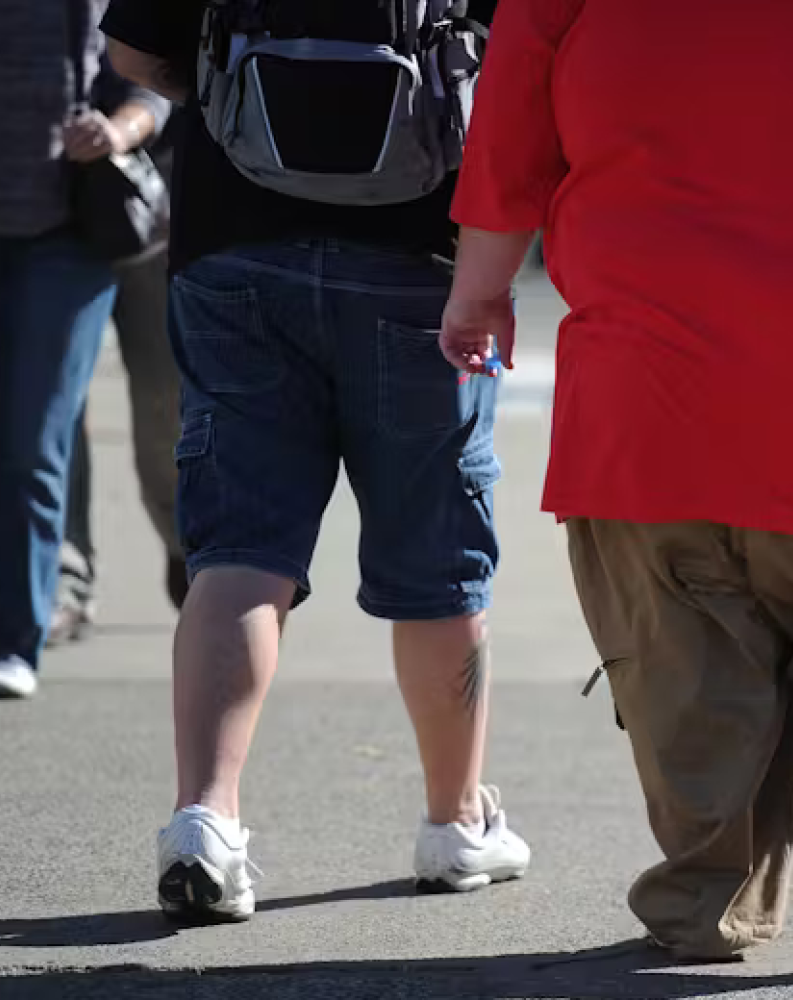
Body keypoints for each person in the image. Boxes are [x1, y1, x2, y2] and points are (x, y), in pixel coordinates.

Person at [440, 0, 793, 960]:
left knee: (686, 665)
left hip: (655, 408)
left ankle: (708, 899)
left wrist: (479, 295)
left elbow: (506, 160)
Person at [101, 0, 530, 923]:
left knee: (240, 547)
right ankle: (456, 824)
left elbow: (133, 51)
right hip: (424, 257)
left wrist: (231, 113)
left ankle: (205, 823)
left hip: (232, 245)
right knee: (439, 552)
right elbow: (533, 67)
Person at [0, 1, 170, 700]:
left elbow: (157, 75)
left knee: (155, 415)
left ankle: (201, 550)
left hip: (96, 224)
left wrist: (118, 130)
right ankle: (40, 608)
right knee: (37, 429)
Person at [49, 95, 185, 649]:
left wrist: (124, 128)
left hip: (152, 201)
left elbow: (167, 58)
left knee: (167, 401)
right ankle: (65, 579)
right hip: (41, 205)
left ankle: (189, 546)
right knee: (50, 405)